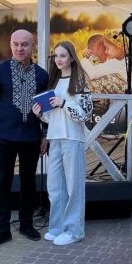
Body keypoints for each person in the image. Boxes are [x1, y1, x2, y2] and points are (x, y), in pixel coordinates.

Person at [0, 29, 49, 250]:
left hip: (31, 137)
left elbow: (47, 110)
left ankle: (27, 224)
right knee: (2, 182)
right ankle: (2, 230)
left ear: (33, 47)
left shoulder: (41, 75)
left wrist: (45, 136)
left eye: (25, 44)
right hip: (3, 137)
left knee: (28, 181)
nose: (20, 48)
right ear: (11, 45)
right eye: (16, 44)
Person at [32, 41, 93, 246]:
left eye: (63, 55)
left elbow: (85, 114)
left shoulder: (80, 82)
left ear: (72, 57)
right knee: (55, 186)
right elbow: (52, 118)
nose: (59, 59)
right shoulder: (54, 82)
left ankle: (75, 230)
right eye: (56, 56)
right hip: (55, 138)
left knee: (73, 187)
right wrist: (41, 113)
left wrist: (64, 103)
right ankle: (57, 227)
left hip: (73, 139)